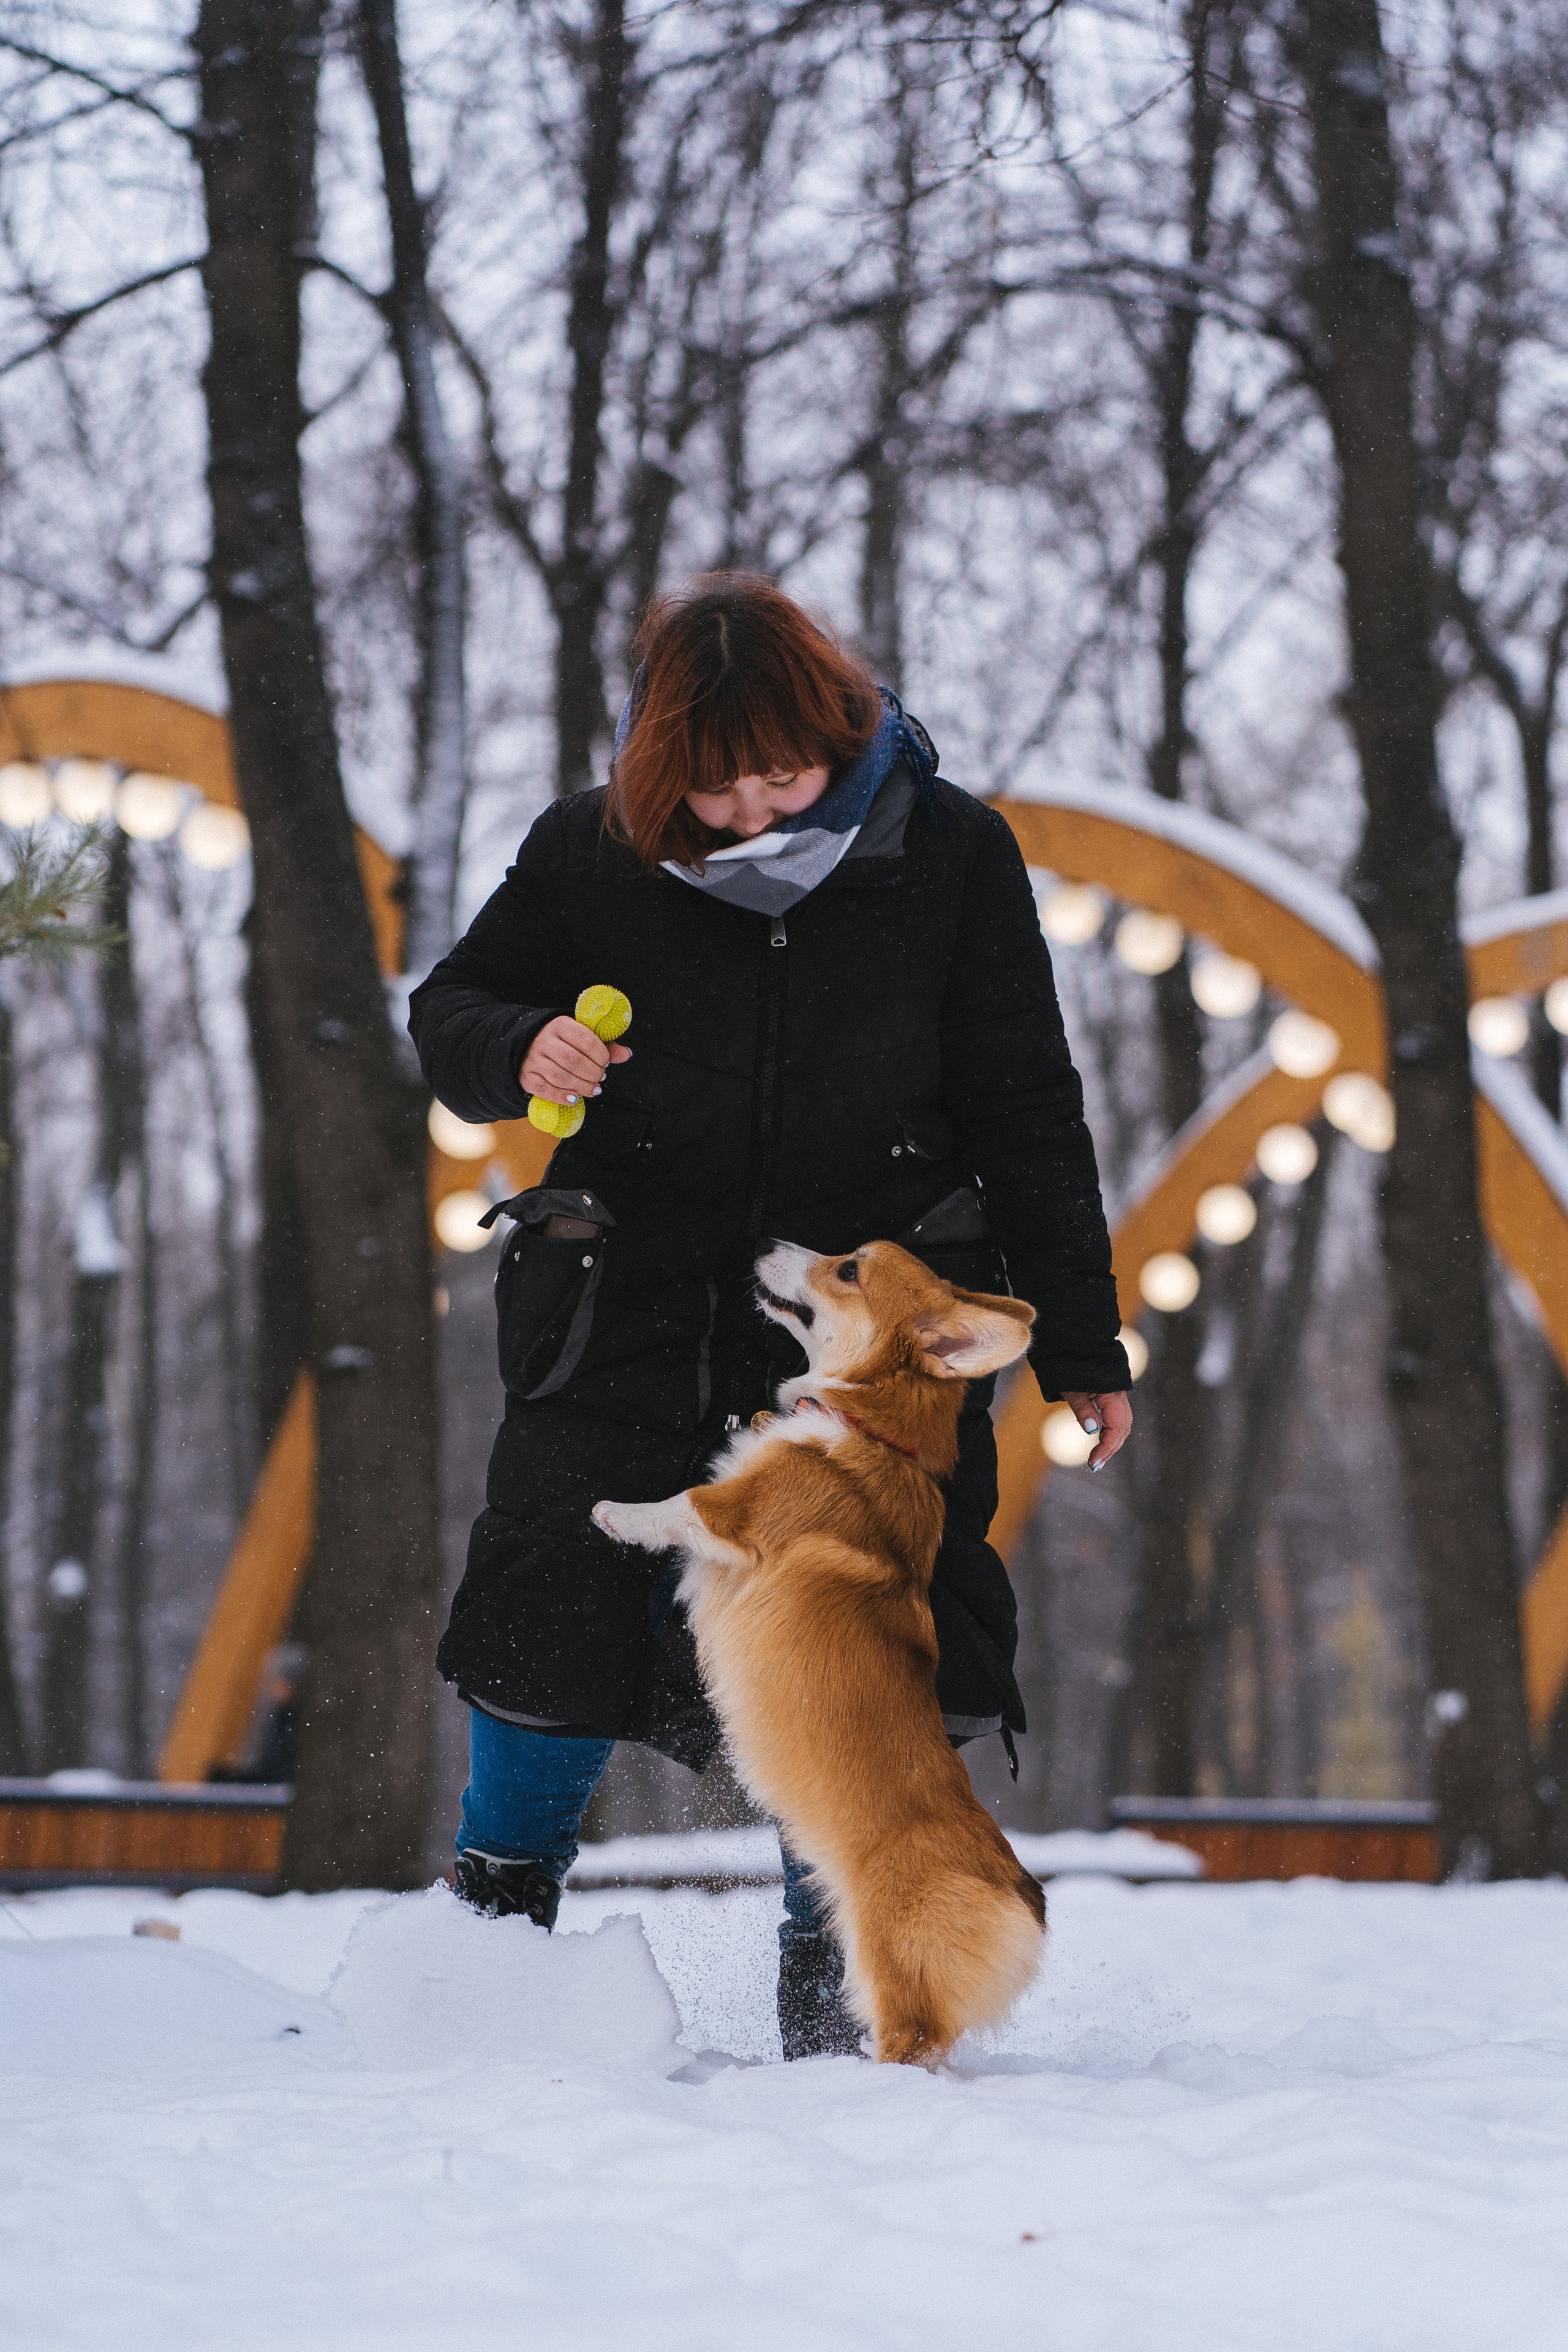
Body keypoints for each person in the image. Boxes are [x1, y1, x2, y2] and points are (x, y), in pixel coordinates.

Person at [410, 573, 1132, 2057]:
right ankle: (482, 1962)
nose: (743, 811)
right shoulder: (592, 848)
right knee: (555, 1599)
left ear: (841, 729)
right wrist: (515, 1043)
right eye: (711, 784)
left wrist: (1078, 1342)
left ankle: (839, 1999)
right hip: (623, 1305)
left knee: (865, 1641)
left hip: (861, 1330)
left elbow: (1028, 1111)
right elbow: (453, 1012)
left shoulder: (948, 855)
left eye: (779, 774)